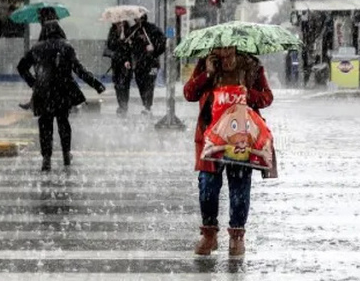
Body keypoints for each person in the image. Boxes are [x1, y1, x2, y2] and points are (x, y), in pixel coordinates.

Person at [183, 46, 274, 258]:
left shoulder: (251, 66)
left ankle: (237, 236)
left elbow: (267, 97)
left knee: (240, 187)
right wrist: (208, 74)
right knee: (207, 186)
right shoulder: (206, 63)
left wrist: (247, 94)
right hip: (210, 138)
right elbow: (189, 94)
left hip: (241, 138)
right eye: (219, 47)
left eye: (227, 47)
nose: (223, 52)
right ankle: (209, 234)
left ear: (235, 46)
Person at [18, 19, 106, 171]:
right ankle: (66, 154)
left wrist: (34, 83)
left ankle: (46, 158)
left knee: (45, 124)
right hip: (63, 91)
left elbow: (21, 67)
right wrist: (96, 84)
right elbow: (79, 70)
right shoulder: (66, 47)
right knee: (63, 122)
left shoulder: (36, 48)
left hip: (43, 91)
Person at [105, 14, 166, 115]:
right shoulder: (133, 31)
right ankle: (141, 105)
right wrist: (125, 45)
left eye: (139, 18)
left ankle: (147, 106)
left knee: (149, 83)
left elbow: (162, 42)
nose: (137, 20)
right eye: (136, 18)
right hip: (139, 64)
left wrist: (154, 48)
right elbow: (126, 48)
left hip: (153, 64)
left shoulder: (152, 29)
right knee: (141, 84)